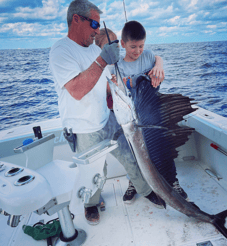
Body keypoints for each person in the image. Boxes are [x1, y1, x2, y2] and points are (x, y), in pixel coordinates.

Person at [49, 0, 164, 226]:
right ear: (76, 19)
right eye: (93, 24)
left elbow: (106, 84)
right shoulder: (60, 50)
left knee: (131, 157)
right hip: (83, 129)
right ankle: (91, 204)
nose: (96, 30)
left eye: (98, 25)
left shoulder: (94, 48)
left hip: (108, 120)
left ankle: (147, 189)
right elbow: (77, 90)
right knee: (94, 172)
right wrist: (102, 60)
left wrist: (120, 86)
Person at [117, 20, 189, 204]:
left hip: (154, 115)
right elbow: (119, 87)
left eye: (141, 46)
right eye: (133, 47)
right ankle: (134, 182)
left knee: (162, 147)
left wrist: (159, 65)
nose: (138, 51)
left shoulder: (148, 56)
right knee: (134, 153)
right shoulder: (119, 65)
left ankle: (172, 181)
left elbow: (156, 57)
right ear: (122, 44)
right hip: (135, 119)